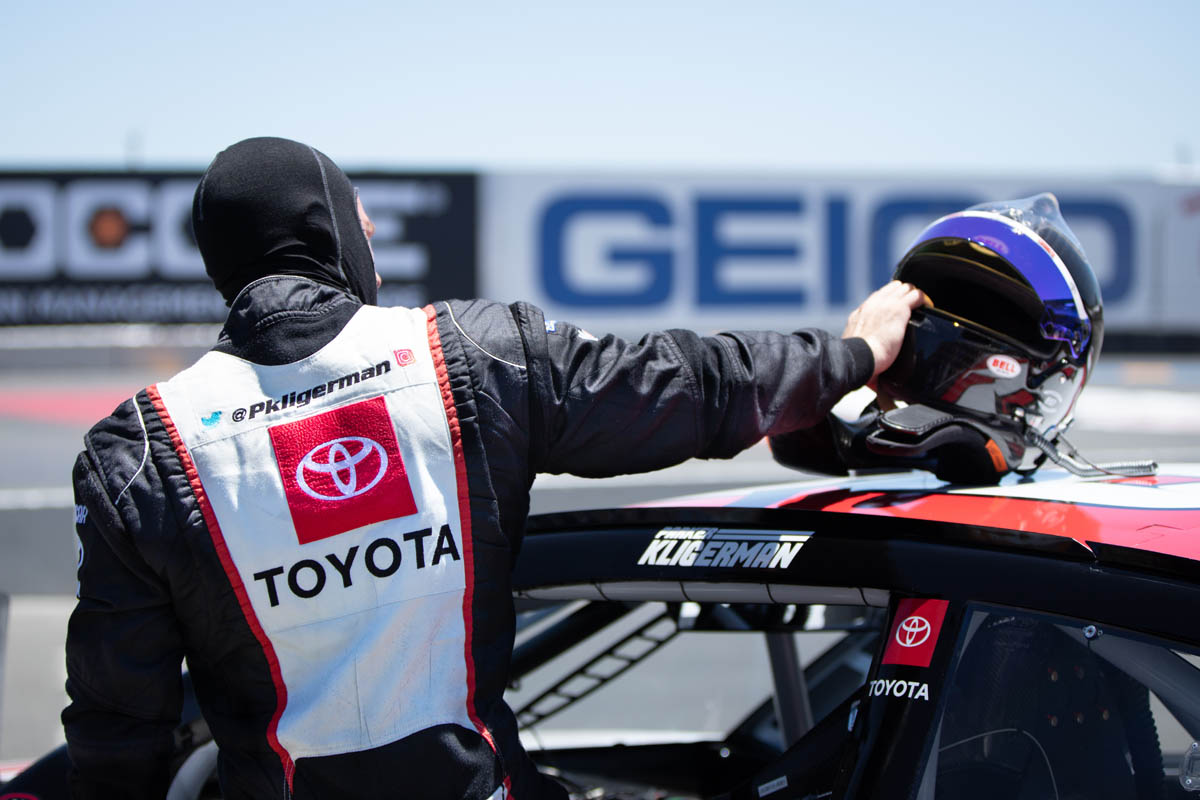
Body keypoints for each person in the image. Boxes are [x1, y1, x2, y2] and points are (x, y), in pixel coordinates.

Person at [62, 137, 924, 800]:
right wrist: (851, 356)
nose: (377, 256)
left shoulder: (137, 453)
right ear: (327, 233)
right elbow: (686, 385)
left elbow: (117, 728)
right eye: (365, 230)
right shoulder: (469, 358)